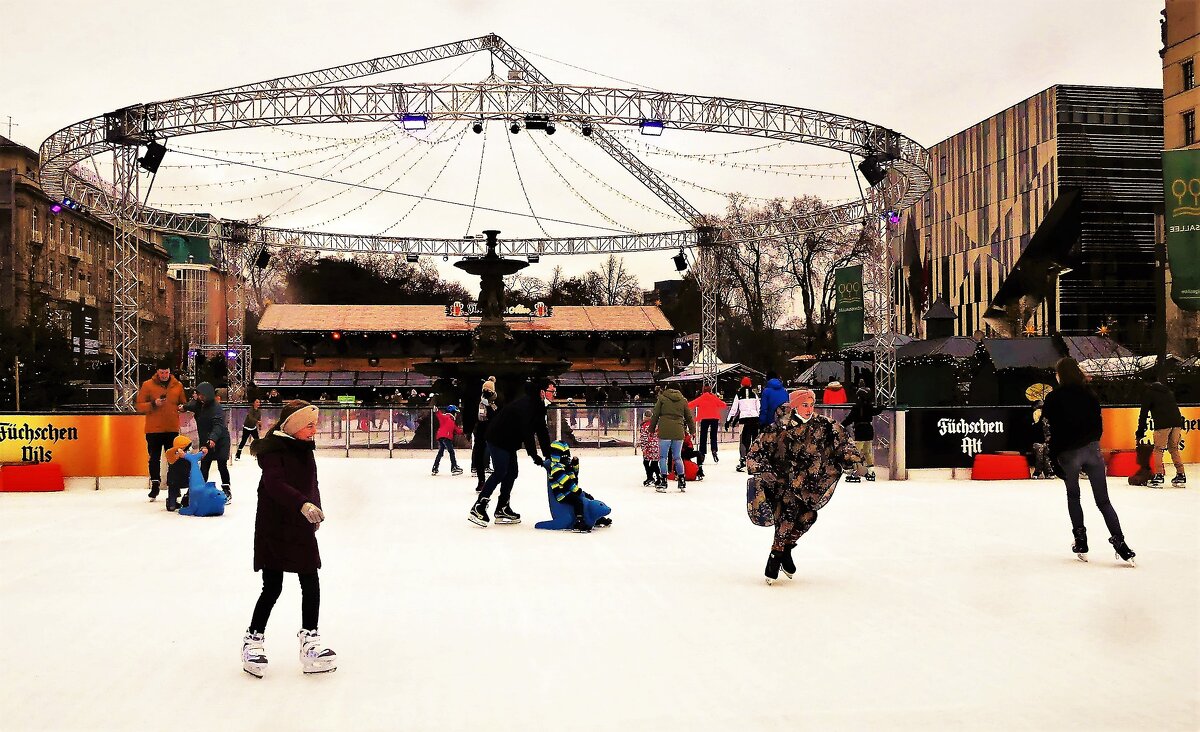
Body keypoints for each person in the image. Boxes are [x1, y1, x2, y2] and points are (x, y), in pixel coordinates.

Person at [242, 400, 337, 677]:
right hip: (275, 525)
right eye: (309, 425)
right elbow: (274, 484)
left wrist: (314, 508)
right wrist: (302, 505)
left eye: (314, 425)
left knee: (311, 580)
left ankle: (311, 640)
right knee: (272, 586)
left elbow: (312, 484)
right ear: (294, 426)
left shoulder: (305, 449)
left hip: (299, 524)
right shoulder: (274, 451)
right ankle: (253, 639)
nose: (314, 430)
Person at [746, 388, 865, 584]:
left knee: (809, 516)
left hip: (810, 484)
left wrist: (851, 459)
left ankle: (786, 549)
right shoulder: (778, 428)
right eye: (804, 405)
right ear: (794, 406)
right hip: (782, 483)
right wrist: (762, 469)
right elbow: (755, 452)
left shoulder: (823, 425)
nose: (809, 409)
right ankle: (776, 555)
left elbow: (842, 442)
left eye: (811, 405)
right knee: (789, 512)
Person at [1042, 357, 1136, 565]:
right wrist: (1092, 441)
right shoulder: (1090, 395)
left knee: (1074, 496)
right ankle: (1121, 543)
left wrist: (1054, 457)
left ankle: (1081, 540)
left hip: (1069, 454)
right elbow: (1098, 424)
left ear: (1061, 375)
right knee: (1103, 501)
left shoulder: (1054, 398)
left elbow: (1051, 431)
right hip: (1092, 451)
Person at [468, 379, 556, 527]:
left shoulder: (538, 406)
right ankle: (479, 506)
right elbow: (527, 432)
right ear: (542, 392)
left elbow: (542, 431)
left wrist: (548, 455)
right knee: (501, 472)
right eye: (551, 391)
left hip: (508, 441)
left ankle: (502, 507)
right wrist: (534, 456)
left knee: (512, 472)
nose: (554, 395)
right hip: (498, 438)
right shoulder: (529, 405)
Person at [135, 359, 188, 502]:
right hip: (153, 429)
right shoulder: (147, 385)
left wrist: (183, 407)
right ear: (157, 372)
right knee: (154, 458)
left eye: (166, 372)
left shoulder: (178, 385)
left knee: (174, 458)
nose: (164, 375)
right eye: (162, 372)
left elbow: (183, 402)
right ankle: (155, 483)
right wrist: (153, 403)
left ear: (170, 372)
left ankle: (174, 486)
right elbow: (139, 405)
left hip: (171, 428)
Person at [540, 440, 612, 532]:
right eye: (564, 455)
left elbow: (574, 475)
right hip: (562, 494)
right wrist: (577, 490)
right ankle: (580, 521)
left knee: (588, 497)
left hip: (569, 491)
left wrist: (575, 464)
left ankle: (597, 518)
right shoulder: (556, 468)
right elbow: (566, 482)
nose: (567, 458)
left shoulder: (565, 464)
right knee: (577, 501)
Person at [181, 381, 233, 504]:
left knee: (222, 465)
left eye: (201, 395)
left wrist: (213, 438)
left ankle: (226, 489)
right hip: (206, 440)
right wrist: (183, 407)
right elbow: (191, 405)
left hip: (220, 440)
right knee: (204, 466)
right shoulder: (199, 404)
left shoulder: (216, 408)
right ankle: (196, 491)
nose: (199, 397)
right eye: (198, 394)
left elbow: (218, 425)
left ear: (208, 395)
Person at [1136, 378, 1186, 486]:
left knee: (1158, 449)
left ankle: (1158, 476)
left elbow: (1143, 414)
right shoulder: (1168, 392)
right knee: (1174, 448)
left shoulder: (1149, 393)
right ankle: (1181, 474)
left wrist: (1139, 433)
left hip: (1162, 424)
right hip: (1177, 423)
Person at [650, 385, 696, 492]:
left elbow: (655, 415)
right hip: (678, 431)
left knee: (663, 457)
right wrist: (692, 431)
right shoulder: (683, 400)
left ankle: (663, 481)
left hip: (665, 431)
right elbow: (688, 417)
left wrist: (651, 429)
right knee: (677, 457)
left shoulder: (661, 398)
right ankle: (682, 480)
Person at [840, 387, 884, 482]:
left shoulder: (857, 407)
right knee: (867, 452)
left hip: (860, 430)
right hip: (869, 430)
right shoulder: (869, 406)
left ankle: (855, 473)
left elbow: (849, 419)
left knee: (856, 452)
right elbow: (876, 411)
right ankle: (871, 472)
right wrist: (882, 407)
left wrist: (840, 425)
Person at [688, 384, 727, 476]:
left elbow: (691, 404)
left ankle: (702, 453)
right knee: (713, 436)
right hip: (714, 418)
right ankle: (714, 449)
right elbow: (723, 405)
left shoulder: (701, 398)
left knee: (703, 437)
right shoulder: (714, 397)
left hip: (704, 418)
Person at [725, 376, 761, 473]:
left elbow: (734, 409)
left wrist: (728, 421)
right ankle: (755, 459)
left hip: (744, 420)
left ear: (741, 384)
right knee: (755, 440)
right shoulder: (754, 394)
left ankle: (743, 460)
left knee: (743, 440)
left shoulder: (738, 394)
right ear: (750, 384)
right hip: (754, 419)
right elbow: (759, 408)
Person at [471, 377, 499, 486]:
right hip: (480, 429)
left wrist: (489, 406)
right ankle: (481, 480)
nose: (486, 392)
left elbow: (497, 416)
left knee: (495, 453)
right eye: (485, 390)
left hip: (492, 430)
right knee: (479, 453)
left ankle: (498, 477)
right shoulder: (478, 401)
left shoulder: (496, 402)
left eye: (489, 390)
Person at [163, 434, 193, 512]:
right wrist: (177, 449)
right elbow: (168, 452)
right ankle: (184, 500)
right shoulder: (183, 457)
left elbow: (168, 452)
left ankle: (172, 502)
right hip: (184, 480)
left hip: (174, 480)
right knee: (192, 486)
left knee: (172, 490)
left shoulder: (173, 457)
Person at [432, 404, 464, 476]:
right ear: (452, 412)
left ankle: (435, 467)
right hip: (446, 437)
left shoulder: (452, 421)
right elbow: (440, 416)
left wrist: (464, 431)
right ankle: (454, 467)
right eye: (455, 413)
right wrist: (437, 411)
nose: (456, 414)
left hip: (441, 437)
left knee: (441, 452)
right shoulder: (447, 417)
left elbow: (457, 430)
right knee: (451, 452)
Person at [638, 414, 662, 487]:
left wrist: (644, 448)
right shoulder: (656, 425)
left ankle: (650, 477)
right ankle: (658, 478)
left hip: (649, 446)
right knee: (654, 463)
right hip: (657, 446)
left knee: (646, 462)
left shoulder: (644, 426)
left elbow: (644, 438)